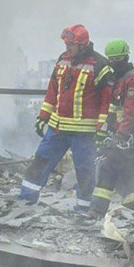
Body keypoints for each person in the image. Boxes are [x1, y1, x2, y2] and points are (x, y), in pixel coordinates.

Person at [19, 25, 113, 212]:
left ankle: (84, 209)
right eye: (66, 43)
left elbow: (107, 102)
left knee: (85, 172)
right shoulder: (63, 60)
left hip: (84, 133)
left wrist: (102, 129)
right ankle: (24, 202)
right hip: (57, 128)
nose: (67, 47)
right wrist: (43, 116)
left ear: (83, 45)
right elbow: (53, 90)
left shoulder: (100, 66)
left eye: (71, 44)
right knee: (40, 163)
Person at [87, 39, 134, 218]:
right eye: (111, 59)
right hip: (119, 134)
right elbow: (112, 110)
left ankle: (96, 211)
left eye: (118, 59)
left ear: (126, 57)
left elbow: (131, 112)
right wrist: (104, 132)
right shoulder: (119, 80)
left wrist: (120, 136)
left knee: (107, 168)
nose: (114, 63)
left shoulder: (131, 81)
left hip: (127, 136)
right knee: (126, 174)